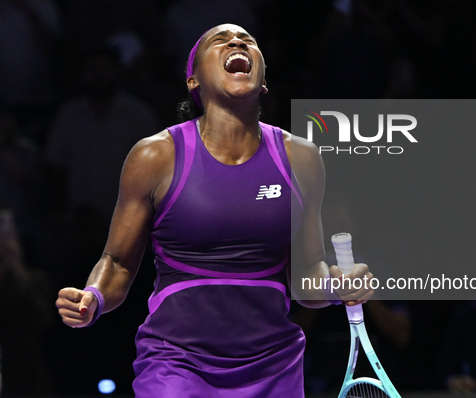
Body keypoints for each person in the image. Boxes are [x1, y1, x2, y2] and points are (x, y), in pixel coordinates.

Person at [55, 23, 374, 397]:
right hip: (176, 363)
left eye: (247, 41)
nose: (237, 42)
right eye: (219, 41)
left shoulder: (301, 158)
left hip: (272, 365)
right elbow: (120, 262)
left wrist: (336, 285)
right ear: (194, 81)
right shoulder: (154, 156)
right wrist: (93, 296)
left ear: (264, 81)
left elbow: (306, 278)